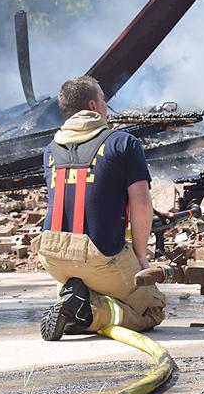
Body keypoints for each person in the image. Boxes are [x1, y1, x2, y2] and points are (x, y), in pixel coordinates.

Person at [33, 75, 166, 341]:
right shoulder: (123, 143)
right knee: (153, 308)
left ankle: (76, 297)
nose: (107, 105)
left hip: (52, 257)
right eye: (104, 99)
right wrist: (140, 257)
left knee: (100, 281)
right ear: (93, 105)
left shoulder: (50, 150)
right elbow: (141, 205)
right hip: (99, 258)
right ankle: (86, 312)